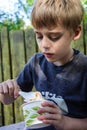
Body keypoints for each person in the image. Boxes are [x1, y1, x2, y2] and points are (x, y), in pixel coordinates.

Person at [0, 0, 87, 130]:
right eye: (39, 36)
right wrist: (6, 91)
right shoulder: (36, 63)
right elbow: (7, 100)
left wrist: (64, 122)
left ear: (76, 33)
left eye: (54, 37)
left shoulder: (84, 68)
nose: (44, 45)